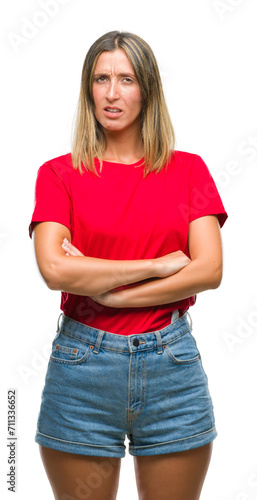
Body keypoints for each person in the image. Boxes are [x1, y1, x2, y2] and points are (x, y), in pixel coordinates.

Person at [29, 30, 228, 500]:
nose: (112, 93)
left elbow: (209, 270)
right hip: (82, 368)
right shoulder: (58, 174)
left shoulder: (189, 170)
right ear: (88, 89)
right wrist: (158, 266)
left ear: (149, 90)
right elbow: (56, 270)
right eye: (101, 79)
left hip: (172, 366)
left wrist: (108, 291)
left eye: (126, 79)